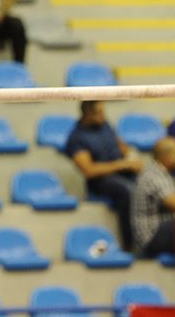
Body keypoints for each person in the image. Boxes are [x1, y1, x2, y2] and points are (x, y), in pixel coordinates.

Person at [63, 100, 143, 250]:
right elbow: (89, 170)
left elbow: (121, 146)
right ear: (88, 115)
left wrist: (133, 157)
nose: (103, 115)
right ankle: (130, 244)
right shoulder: (77, 137)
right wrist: (121, 164)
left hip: (123, 173)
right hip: (101, 181)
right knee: (127, 191)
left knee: (149, 185)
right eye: (99, 113)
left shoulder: (105, 125)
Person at [130, 137, 175, 258]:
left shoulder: (164, 173)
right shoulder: (154, 175)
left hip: (161, 228)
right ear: (166, 157)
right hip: (151, 235)